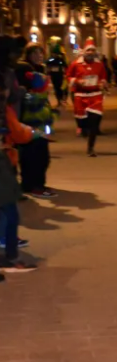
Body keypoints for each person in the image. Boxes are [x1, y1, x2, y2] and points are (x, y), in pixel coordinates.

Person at [0, 78, 43, 273]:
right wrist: (32, 133)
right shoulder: (4, 109)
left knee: (8, 212)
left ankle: (9, 256)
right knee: (10, 212)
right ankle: (9, 257)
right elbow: (17, 133)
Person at [16, 44, 55, 198]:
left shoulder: (40, 68)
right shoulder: (24, 68)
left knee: (31, 153)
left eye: (41, 53)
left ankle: (29, 184)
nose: (39, 56)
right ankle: (37, 186)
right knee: (37, 154)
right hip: (29, 117)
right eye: (35, 53)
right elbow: (24, 93)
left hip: (38, 116)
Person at [66, 43, 107, 157]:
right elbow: (68, 76)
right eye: (88, 50)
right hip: (81, 95)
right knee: (82, 122)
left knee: (94, 121)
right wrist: (77, 81)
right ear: (84, 52)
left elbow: (103, 76)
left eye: (92, 51)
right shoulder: (76, 64)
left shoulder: (99, 65)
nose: (90, 53)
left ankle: (91, 147)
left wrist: (102, 83)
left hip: (95, 95)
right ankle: (83, 129)